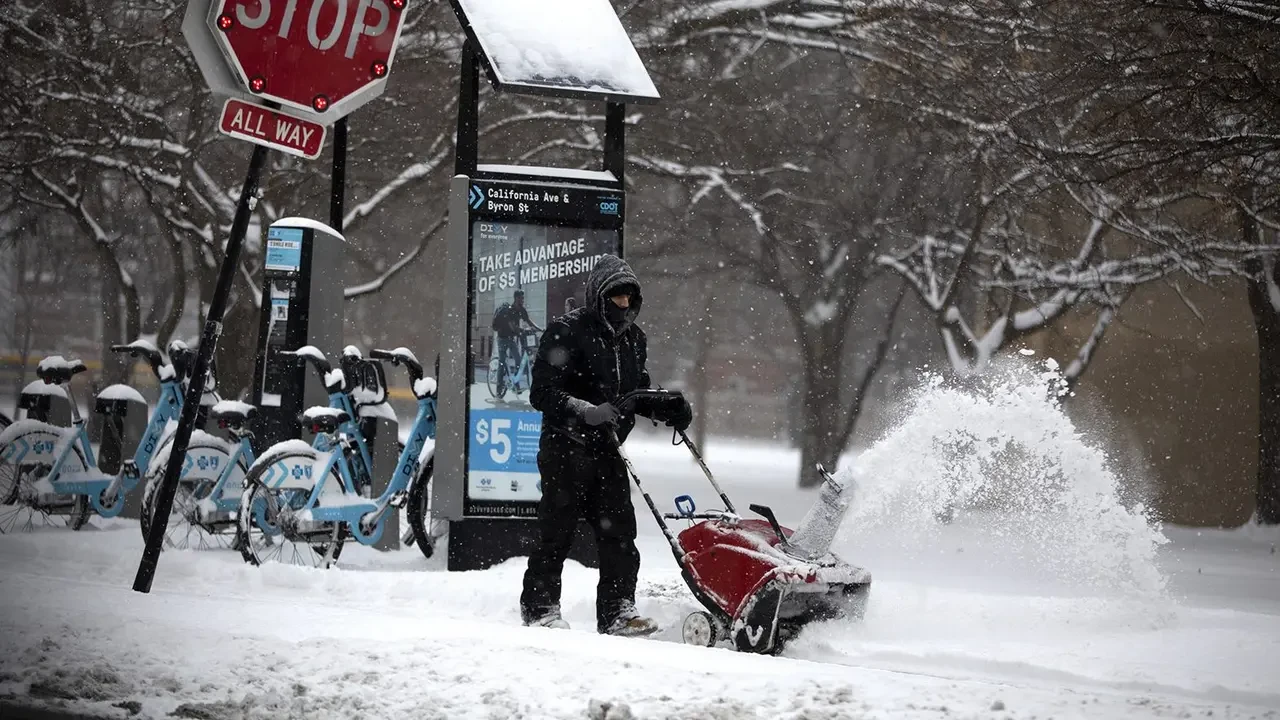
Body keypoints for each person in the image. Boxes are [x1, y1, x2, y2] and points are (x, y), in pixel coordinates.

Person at [520, 254, 693, 636]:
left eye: (629, 298)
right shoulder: (566, 331)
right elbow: (542, 393)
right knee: (556, 532)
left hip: (609, 450)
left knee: (619, 535)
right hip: (565, 447)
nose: (624, 305)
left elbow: (634, 393)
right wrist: (584, 411)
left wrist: (669, 408)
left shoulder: (634, 340)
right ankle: (540, 608)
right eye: (616, 298)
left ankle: (618, 611)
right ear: (599, 296)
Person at [491, 289, 541, 394]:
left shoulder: (521, 310)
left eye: (523, 298)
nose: (522, 300)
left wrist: (540, 329)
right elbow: (513, 327)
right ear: (516, 298)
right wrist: (523, 331)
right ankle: (498, 391)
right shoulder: (508, 310)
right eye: (520, 298)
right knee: (502, 363)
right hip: (502, 338)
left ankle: (516, 386)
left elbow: (528, 321)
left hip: (511, 339)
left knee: (518, 361)